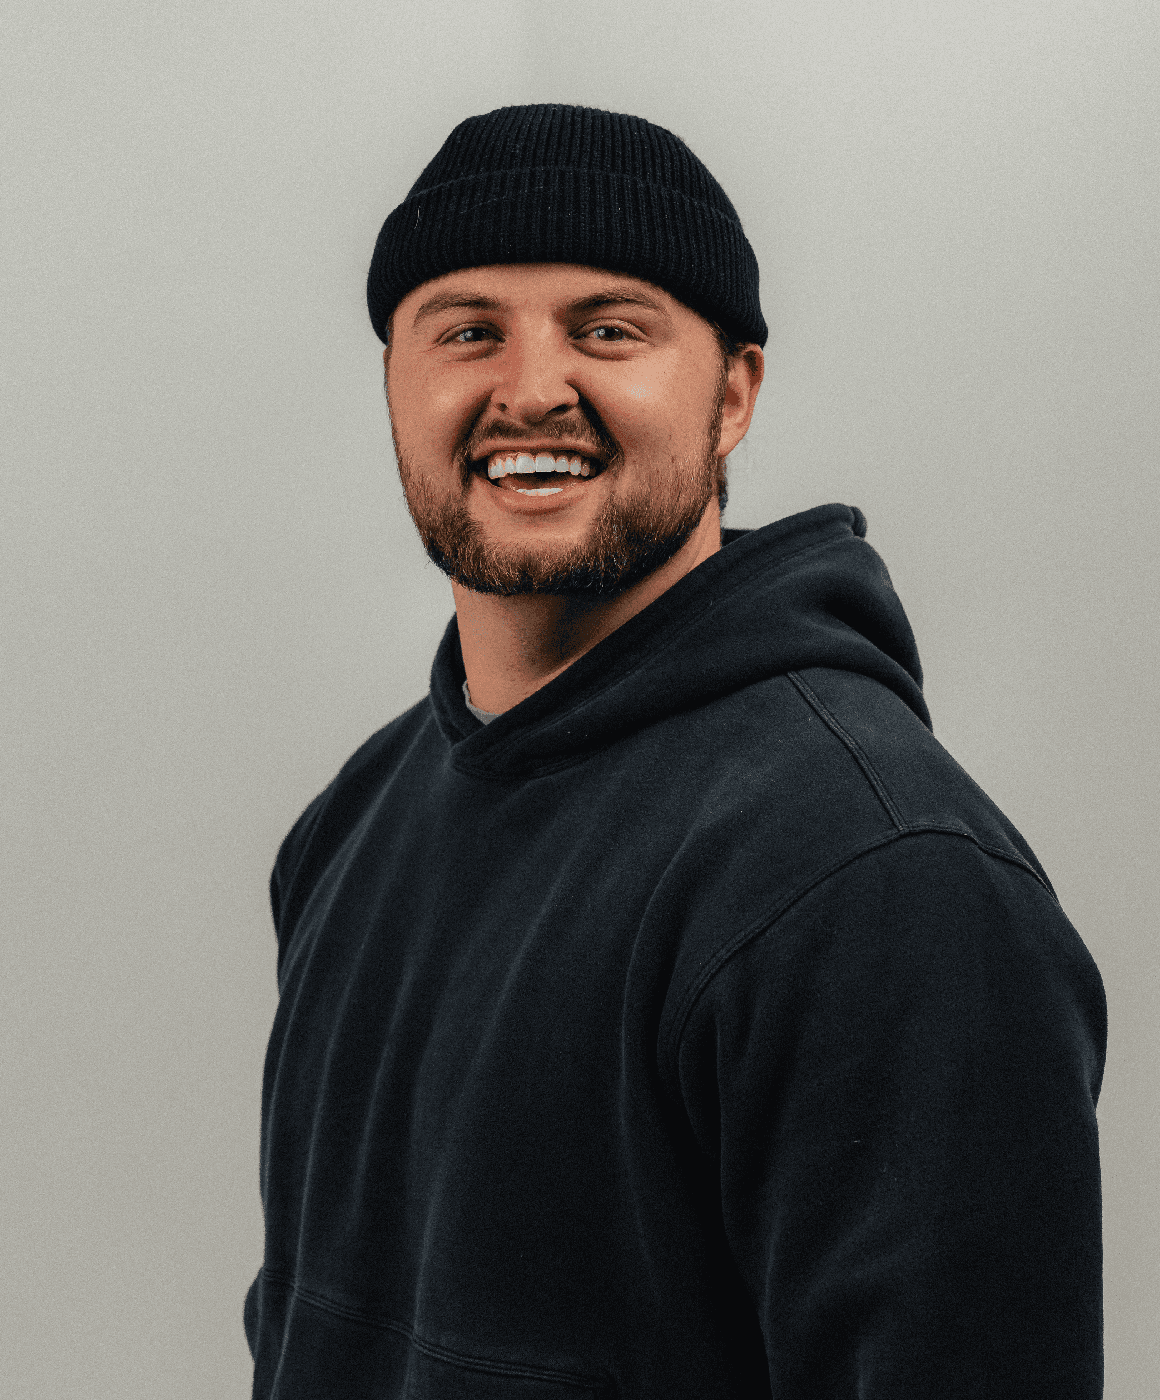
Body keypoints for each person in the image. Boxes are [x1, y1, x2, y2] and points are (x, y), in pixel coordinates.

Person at [245, 104, 1106, 1399]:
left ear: (735, 393)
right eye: (467, 330)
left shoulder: (878, 880)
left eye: (608, 329)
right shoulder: (354, 823)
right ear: (393, 382)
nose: (529, 389)